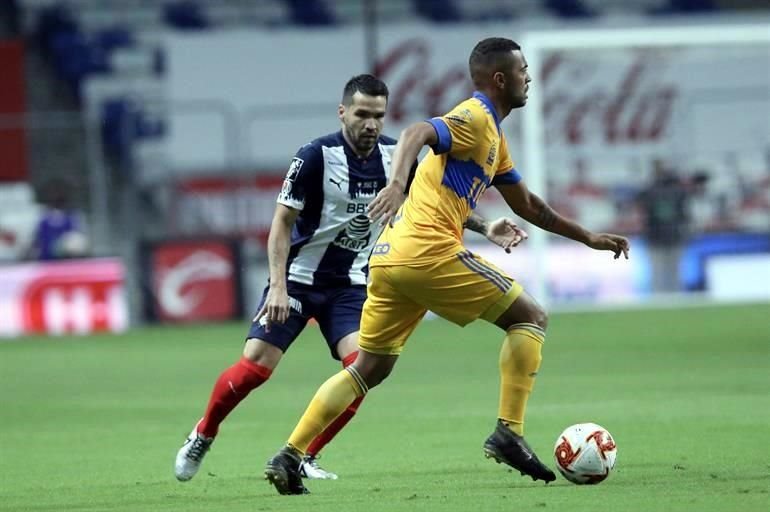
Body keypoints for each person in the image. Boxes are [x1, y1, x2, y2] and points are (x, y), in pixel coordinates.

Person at [264, 38, 630, 495]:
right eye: (522, 71)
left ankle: (290, 454)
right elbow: (418, 131)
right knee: (532, 318)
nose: (529, 77)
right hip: (428, 252)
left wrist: (589, 237)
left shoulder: (495, 141)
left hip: (389, 258)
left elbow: (530, 206)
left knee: (368, 370)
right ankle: (508, 432)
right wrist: (397, 182)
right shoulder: (475, 117)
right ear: (500, 78)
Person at [174, 74, 528, 484]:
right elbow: (280, 224)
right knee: (256, 365)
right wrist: (277, 286)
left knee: (361, 369)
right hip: (299, 279)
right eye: (362, 114)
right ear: (343, 112)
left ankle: (304, 456)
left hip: (352, 285)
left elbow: (436, 202)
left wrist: (486, 228)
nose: (371, 124)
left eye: (378, 115)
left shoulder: (396, 157)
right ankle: (204, 434)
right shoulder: (314, 156)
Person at [637, 159, 689, 293]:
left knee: (670, 272)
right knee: (660, 272)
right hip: (660, 236)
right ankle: (663, 298)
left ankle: (671, 297)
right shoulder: (676, 191)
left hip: (667, 235)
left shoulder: (650, 191)